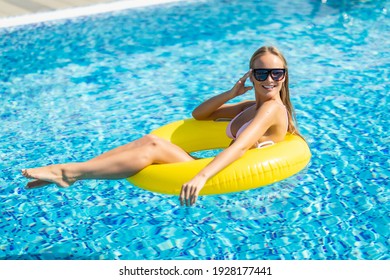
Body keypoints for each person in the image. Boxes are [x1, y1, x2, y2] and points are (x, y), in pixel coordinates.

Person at [22, 46, 302, 206]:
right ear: (250, 75)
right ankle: (72, 172)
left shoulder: (271, 109)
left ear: (284, 75)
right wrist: (232, 93)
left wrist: (200, 177)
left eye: (276, 72)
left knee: (153, 146)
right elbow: (201, 115)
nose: (269, 79)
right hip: (214, 163)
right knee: (149, 142)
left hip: (222, 175)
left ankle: (68, 172)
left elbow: (240, 147)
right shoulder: (251, 106)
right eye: (261, 72)